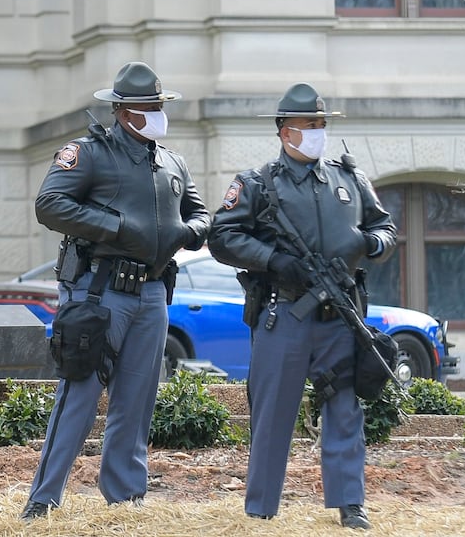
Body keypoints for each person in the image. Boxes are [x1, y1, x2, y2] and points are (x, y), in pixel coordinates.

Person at [20, 61, 211, 519]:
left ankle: (126, 495)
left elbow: (202, 216)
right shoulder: (89, 153)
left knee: (138, 396)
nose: (157, 114)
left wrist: (187, 233)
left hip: (150, 293)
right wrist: (118, 226)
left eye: (160, 106)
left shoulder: (171, 161)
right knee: (79, 394)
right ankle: (43, 499)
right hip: (99, 291)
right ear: (124, 111)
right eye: (148, 107)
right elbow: (50, 204)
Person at [207, 82, 398, 530]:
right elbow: (222, 236)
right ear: (285, 132)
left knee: (345, 408)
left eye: (321, 124)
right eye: (308, 125)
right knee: (273, 412)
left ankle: (351, 503)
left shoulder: (350, 178)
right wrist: (273, 260)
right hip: (284, 315)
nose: (317, 132)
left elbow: (385, 227)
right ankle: (261, 506)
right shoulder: (257, 184)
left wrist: (371, 243)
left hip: (340, 317)